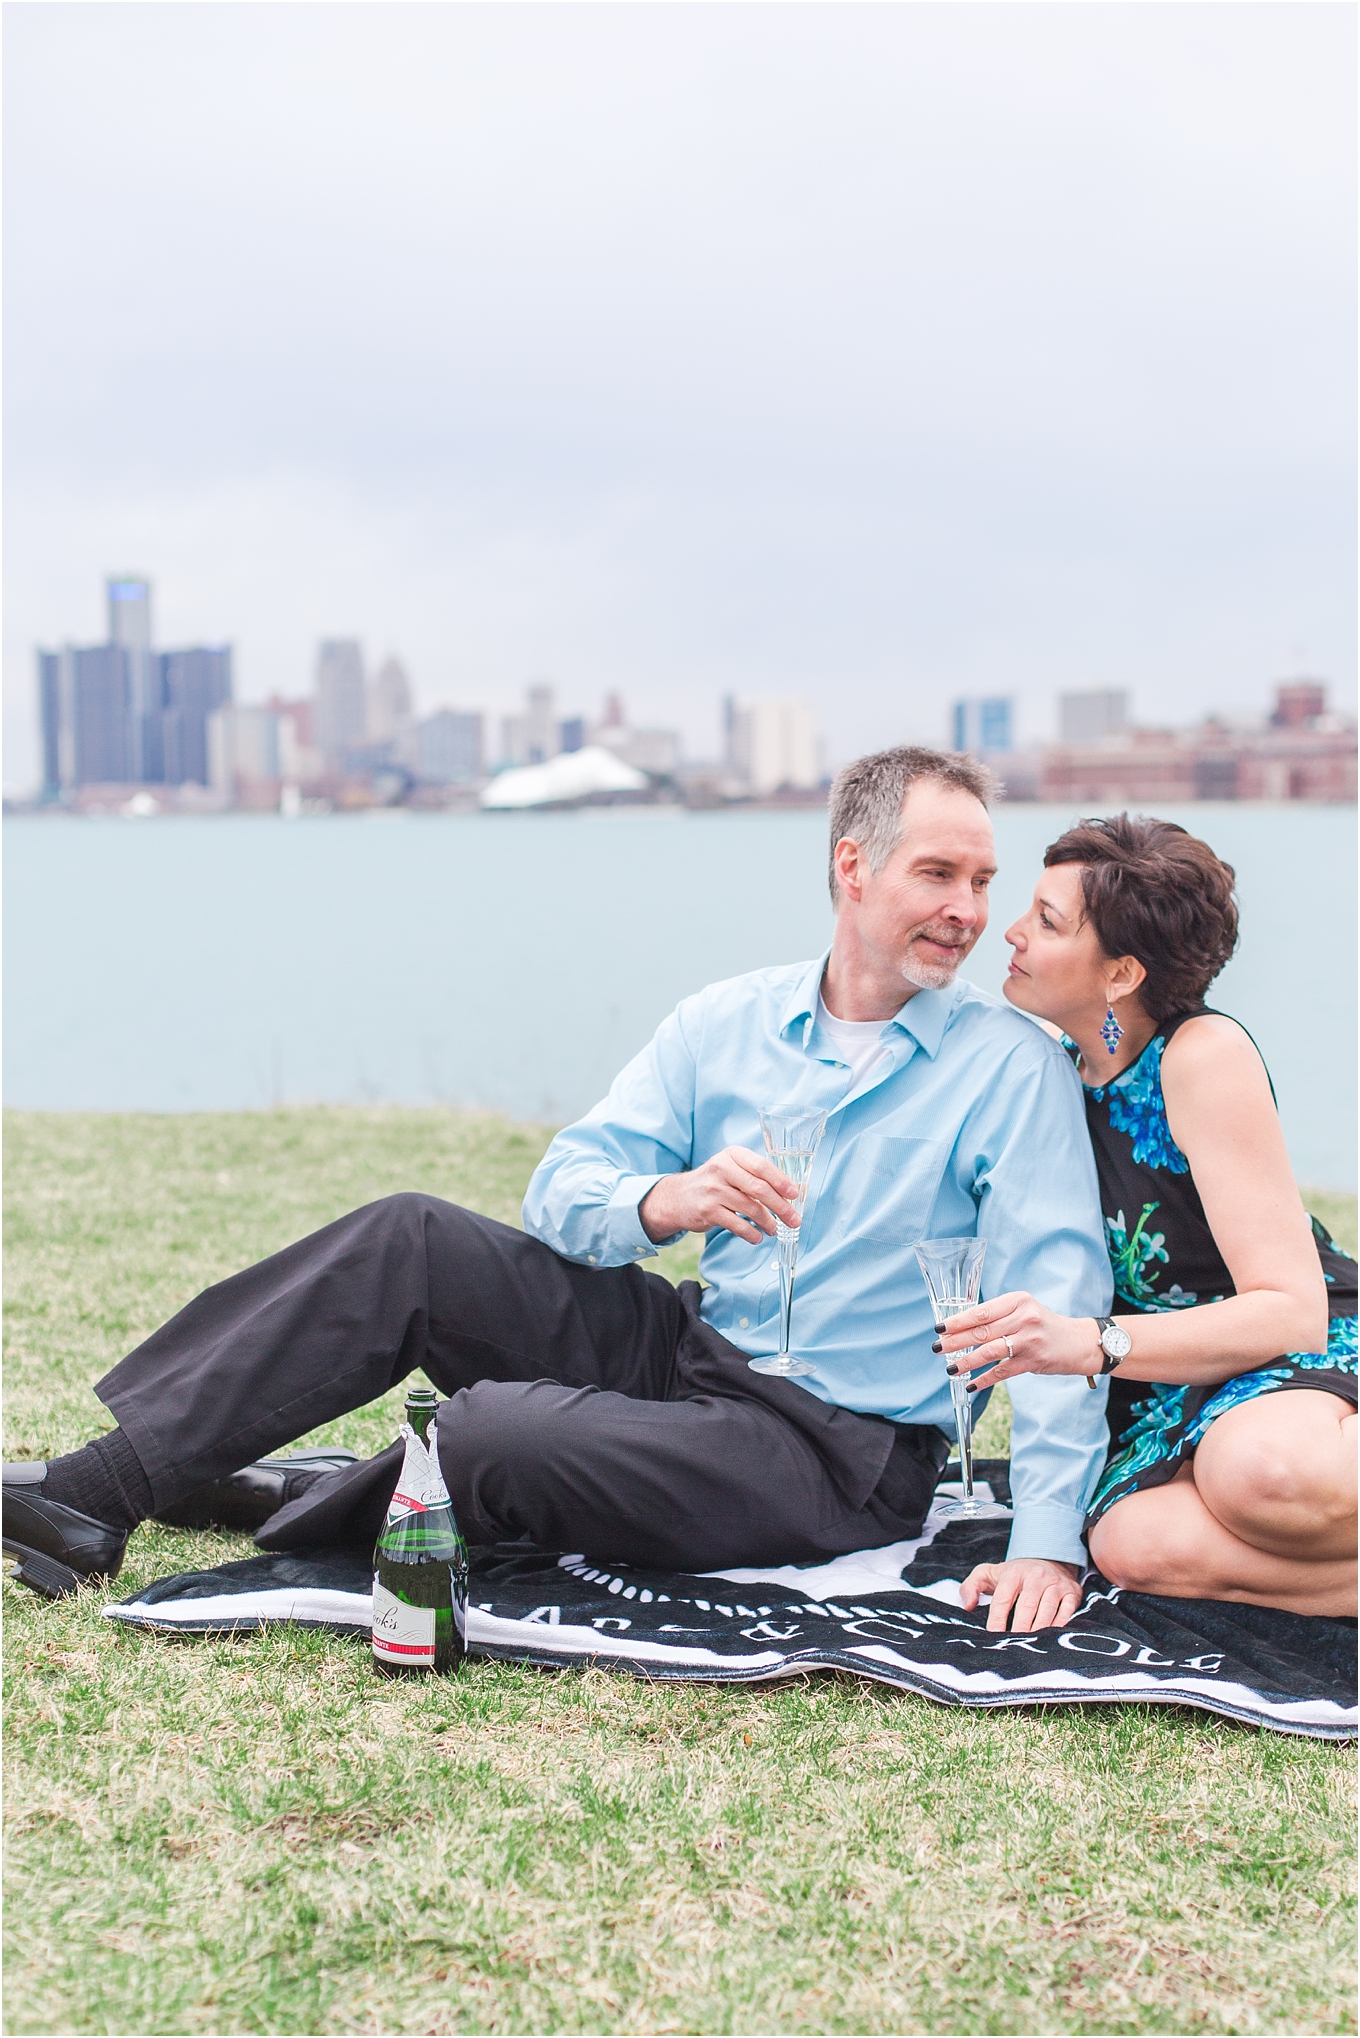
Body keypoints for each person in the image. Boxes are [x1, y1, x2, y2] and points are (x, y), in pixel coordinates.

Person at [4, 746, 1114, 1635]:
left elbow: (1062, 1312)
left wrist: (1047, 1539)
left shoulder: (1009, 1068)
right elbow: (563, 1190)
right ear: (851, 865)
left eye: (980, 880)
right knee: (411, 1238)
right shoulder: (723, 1022)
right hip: (688, 1348)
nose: (969, 910)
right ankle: (96, 1490)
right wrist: (663, 1203)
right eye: (938, 873)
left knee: (489, 1436)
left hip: (838, 1449)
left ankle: (286, 1496)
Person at [939, 814, 1357, 1619]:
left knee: (1261, 1471)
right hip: (1165, 1383)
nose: (1012, 934)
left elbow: (1291, 1310)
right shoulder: (1052, 1073)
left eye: (1048, 922)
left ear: (1121, 974)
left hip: (1294, 1345)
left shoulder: (1200, 1056)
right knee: (1131, 1545)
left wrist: (1090, 1344)